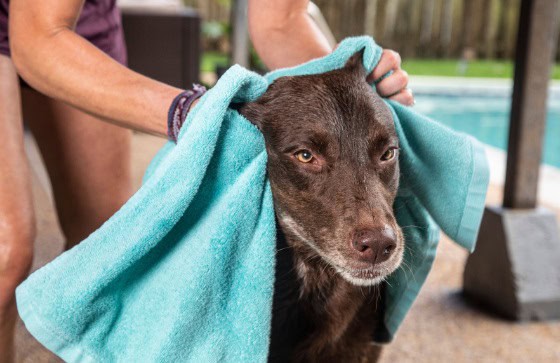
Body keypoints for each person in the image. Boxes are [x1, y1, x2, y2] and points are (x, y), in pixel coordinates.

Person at [0, 0, 413, 360]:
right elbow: (39, 35)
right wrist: (189, 111)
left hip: (83, 13)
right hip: (44, 23)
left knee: (111, 244)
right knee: (7, 247)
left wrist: (352, 87)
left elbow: (280, 20)